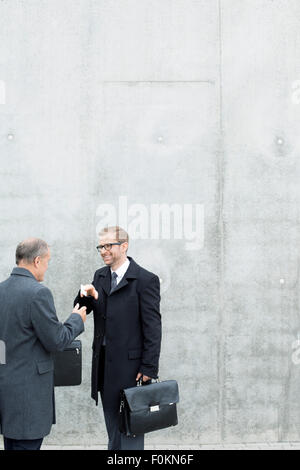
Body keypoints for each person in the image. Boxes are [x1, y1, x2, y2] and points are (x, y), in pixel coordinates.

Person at [74, 226, 162, 450]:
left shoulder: (145, 280)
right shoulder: (100, 275)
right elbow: (87, 307)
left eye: (108, 246)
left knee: (130, 432)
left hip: (132, 370)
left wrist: (149, 367)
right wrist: (85, 295)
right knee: (114, 429)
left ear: (124, 246)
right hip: (104, 367)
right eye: (100, 246)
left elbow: (153, 328)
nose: (103, 251)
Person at [0, 238, 87, 451]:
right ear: (37, 261)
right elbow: (56, 340)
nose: (47, 268)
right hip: (27, 396)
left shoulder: (2, 290)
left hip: (6, 391)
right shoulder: (38, 293)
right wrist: (77, 318)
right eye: (47, 262)